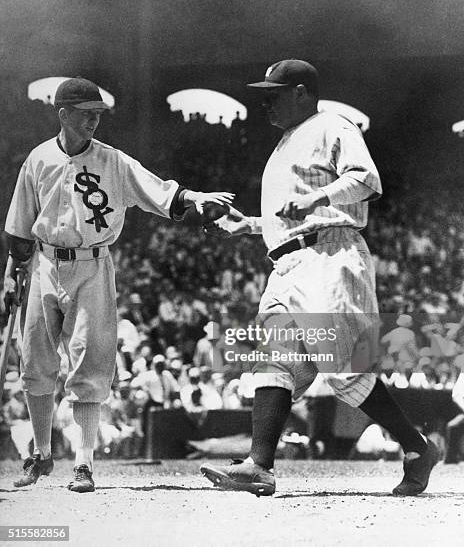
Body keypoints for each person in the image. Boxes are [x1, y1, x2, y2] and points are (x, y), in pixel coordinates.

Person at [201, 59, 438, 496]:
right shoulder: (284, 144)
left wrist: (318, 196)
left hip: (331, 255)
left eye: (274, 93)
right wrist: (249, 225)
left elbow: (366, 179)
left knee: (345, 370)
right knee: (272, 360)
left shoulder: (334, 123)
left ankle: (416, 446)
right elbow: (290, 217)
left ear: (302, 92)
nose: (265, 102)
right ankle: (259, 465)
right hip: (286, 263)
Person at [0, 77, 234, 493]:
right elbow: (19, 229)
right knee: (36, 361)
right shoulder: (37, 159)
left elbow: (161, 193)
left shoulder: (113, 161)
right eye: (87, 113)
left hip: (93, 264)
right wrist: (10, 276)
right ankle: (40, 453)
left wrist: (196, 200)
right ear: (63, 114)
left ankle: (84, 463)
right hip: (43, 262)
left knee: (90, 362)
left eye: (98, 114)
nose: (94, 120)